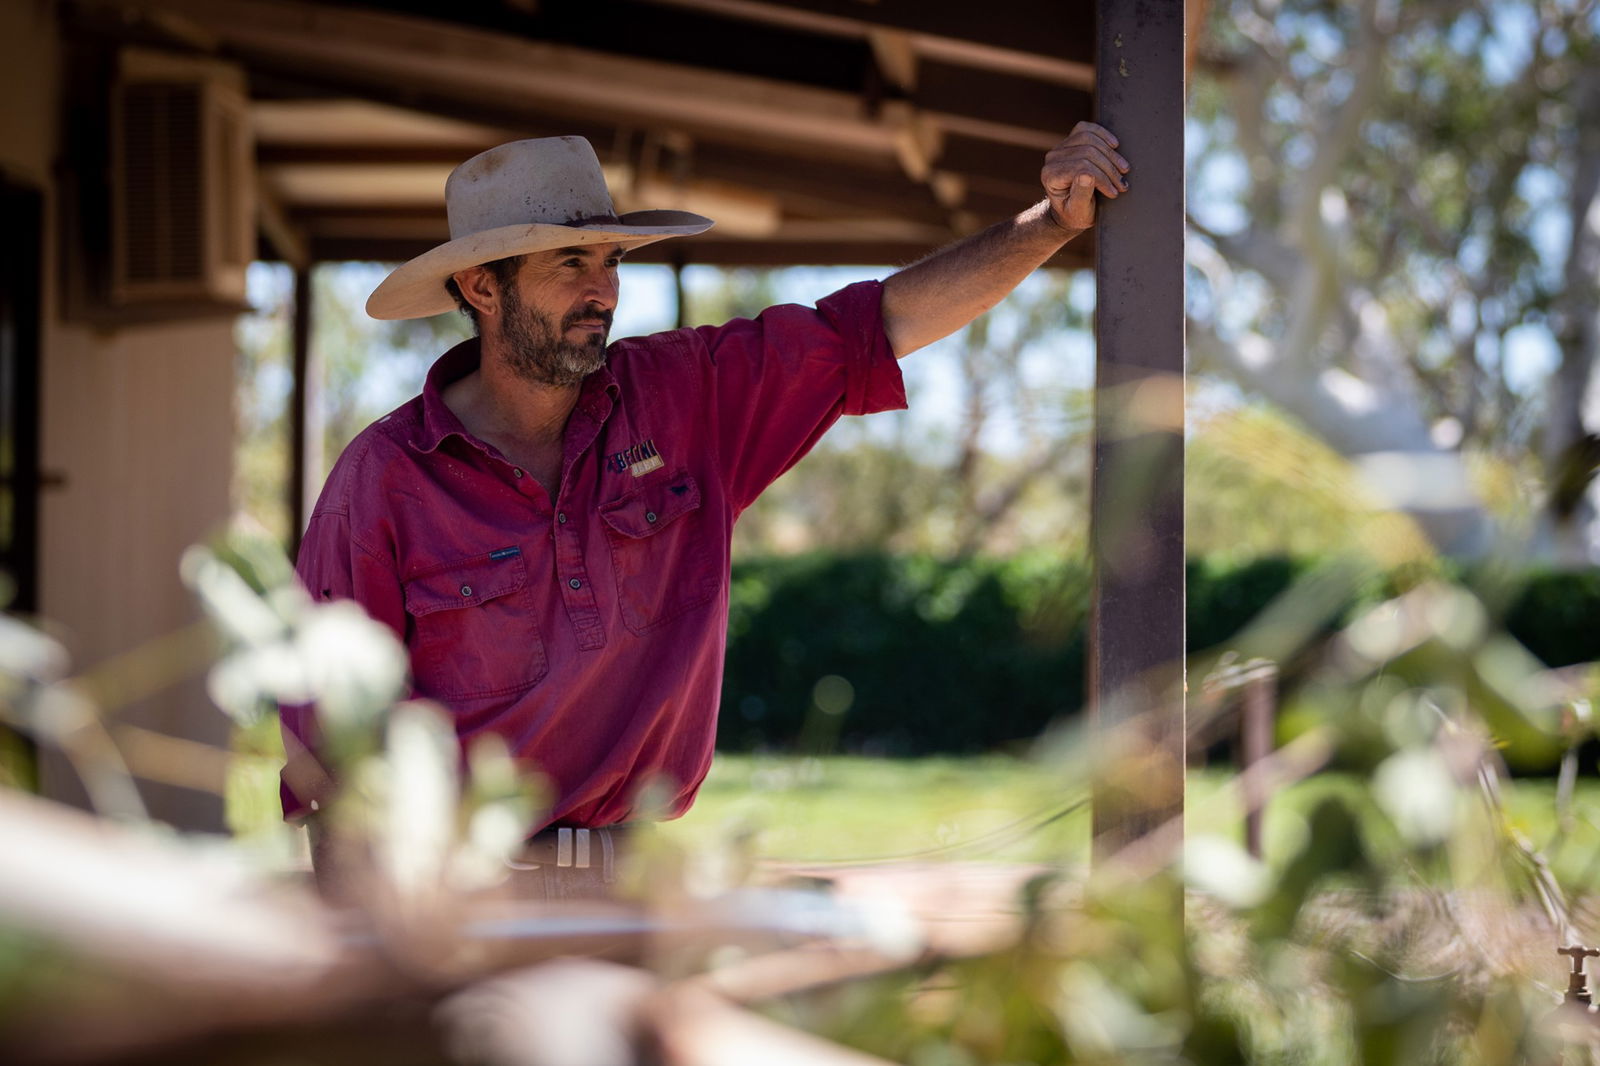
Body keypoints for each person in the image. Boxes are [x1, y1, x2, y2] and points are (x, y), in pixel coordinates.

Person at [283, 125, 1129, 898]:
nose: (604, 290)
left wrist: (1047, 225)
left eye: (612, 260)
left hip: (643, 889)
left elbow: (881, 324)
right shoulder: (383, 480)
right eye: (570, 263)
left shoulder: (687, 396)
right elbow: (327, 748)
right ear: (481, 286)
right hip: (454, 900)